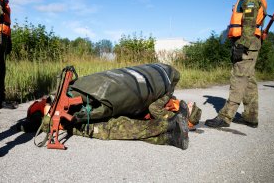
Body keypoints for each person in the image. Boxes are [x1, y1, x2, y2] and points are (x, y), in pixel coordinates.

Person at [21, 64, 202, 150]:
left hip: (128, 111)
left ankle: (169, 136)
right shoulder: (172, 101)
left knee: (118, 127)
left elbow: (157, 110)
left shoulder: (174, 106)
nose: (192, 104)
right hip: (118, 109)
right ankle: (168, 135)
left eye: (192, 107)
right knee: (116, 127)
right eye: (192, 106)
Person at [205, 0, 268, 128]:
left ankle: (225, 117)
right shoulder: (248, 0)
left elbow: (249, 24)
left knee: (238, 79)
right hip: (249, 44)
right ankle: (250, 117)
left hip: (246, 44)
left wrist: (241, 45)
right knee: (249, 81)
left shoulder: (251, 0)